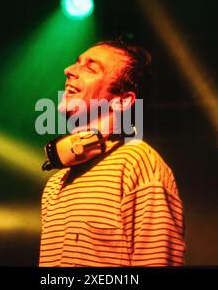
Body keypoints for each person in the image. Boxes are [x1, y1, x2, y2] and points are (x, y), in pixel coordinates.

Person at [39, 39, 185, 267]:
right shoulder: (55, 184)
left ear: (123, 101)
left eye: (90, 67)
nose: (68, 70)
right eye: (77, 63)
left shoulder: (138, 163)